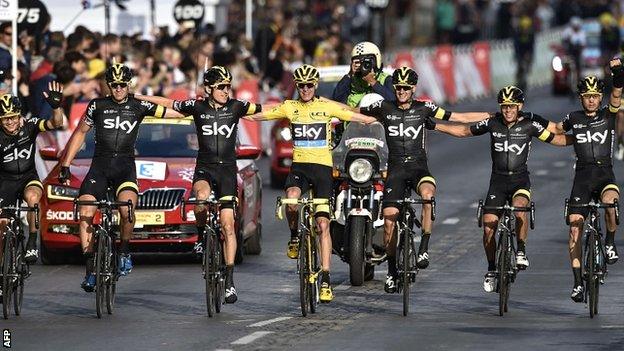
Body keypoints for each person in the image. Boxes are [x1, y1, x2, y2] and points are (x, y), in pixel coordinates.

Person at [247, 64, 377, 302]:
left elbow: (352, 114)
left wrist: (374, 118)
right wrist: (233, 110)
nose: (305, 89)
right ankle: (295, 236)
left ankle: (326, 279)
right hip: (300, 168)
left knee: (323, 224)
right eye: (301, 86)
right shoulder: (290, 107)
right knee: (292, 200)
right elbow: (261, 112)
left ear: (315, 85)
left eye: (309, 85)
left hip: (323, 170)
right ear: (297, 87)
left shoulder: (326, 106)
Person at [135, 66, 263, 304]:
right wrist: (140, 97)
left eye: (228, 86)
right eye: (222, 87)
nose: (227, 91)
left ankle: (230, 280)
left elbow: (267, 112)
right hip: (205, 167)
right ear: (209, 89)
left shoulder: (236, 106)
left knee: (227, 225)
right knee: (201, 201)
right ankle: (202, 235)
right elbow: (169, 103)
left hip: (227, 170)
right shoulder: (197, 107)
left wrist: (297, 110)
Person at [358, 67, 491, 293]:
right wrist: (325, 109)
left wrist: (489, 115)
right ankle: (391, 272)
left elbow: (456, 117)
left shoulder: (424, 108)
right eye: (398, 88)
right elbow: (353, 113)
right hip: (396, 170)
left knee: (428, 196)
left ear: (413, 89)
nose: (401, 92)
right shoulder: (384, 107)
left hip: (419, 168)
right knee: (389, 220)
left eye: (405, 89)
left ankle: (424, 249)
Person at [432, 85, 571, 293]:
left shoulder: (529, 125)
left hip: (520, 181)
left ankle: (521, 251)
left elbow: (557, 139)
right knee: (488, 226)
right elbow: (462, 131)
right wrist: (434, 126)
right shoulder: (493, 123)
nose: (507, 111)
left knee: (520, 207)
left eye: (512, 107)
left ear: (520, 106)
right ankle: (491, 269)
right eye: (504, 107)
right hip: (497, 182)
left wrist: (584, 138)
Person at [58, 63, 177, 292]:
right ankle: (91, 268)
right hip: (100, 167)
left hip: (124, 168)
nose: (119, 89)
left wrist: (143, 96)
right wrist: (65, 163)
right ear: (108, 86)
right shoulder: (97, 105)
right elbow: (80, 133)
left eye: (123, 85)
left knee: (127, 208)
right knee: (85, 211)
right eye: (114, 85)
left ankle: (123, 250)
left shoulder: (139, 105)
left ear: (128, 85)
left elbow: (176, 111)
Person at [547, 58, 623, 302]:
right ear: (580, 97)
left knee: (611, 204)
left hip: (604, 174)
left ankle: (610, 243)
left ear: (600, 97)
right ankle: (578, 282)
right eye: (587, 95)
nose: (591, 99)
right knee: (575, 227)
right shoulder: (574, 118)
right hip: (582, 177)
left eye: (595, 95)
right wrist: (531, 122)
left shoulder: (608, 115)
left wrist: (618, 71)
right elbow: (557, 130)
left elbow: (617, 92)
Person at [0, 83, 65, 298]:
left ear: (20, 116)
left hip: (28, 177)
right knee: (1, 226)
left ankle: (31, 243)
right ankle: (2, 272)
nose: (10, 122)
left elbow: (56, 123)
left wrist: (56, 107)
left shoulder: (30, 125)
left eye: (13, 117)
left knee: (33, 198)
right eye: (5, 119)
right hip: (5, 182)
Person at [332, 41, 394, 108]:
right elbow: (336, 100)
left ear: (377, 60)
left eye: (367, 62)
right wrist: (349, 75)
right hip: (355, 117)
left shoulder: (386, 79)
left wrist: (373, 82)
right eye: (358, 62)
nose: (363, 65)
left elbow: (394, 101)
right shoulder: (351, 80)